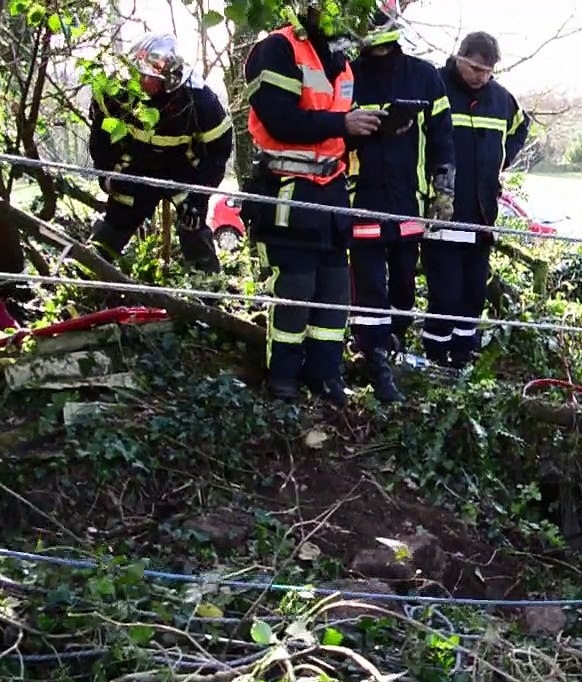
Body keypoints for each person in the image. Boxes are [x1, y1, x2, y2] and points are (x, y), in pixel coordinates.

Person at [241, 1, 386, 405]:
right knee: (295, 289)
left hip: (332, 191)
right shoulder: (277, 49)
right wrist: (343, 123)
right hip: (288, 189)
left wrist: (374, 126)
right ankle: (283, 378)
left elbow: (333, 129)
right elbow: (279, 120)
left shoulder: (341, 59)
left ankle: (325, 375)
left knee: (335, 292)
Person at [347, 0, 455, 402]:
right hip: (363, 198)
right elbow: (331, 133)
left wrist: (444, 190)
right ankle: (373, 355)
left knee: (405, 280)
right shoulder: (347, 75)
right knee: (369, 282)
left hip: (410, 201)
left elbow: (443, 138)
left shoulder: (424, 77)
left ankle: (394, 342)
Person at [87, 32, 229, 273]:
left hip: (183, 171)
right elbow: (101, 140)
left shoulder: (201, 101)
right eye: (138, 72)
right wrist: (107, 176)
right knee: (114, 225)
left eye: (149, 76)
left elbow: (219, 151)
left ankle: (207, 293)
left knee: (193, 231)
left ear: (170, 77)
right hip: (136, 167)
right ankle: (86, 277)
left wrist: (200, 195)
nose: (140, 80)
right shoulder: (118, 95)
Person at [429, 31, 529, 369]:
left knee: (473, 293)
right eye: (474, 68)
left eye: (487, 72)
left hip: (483, 213)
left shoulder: (500, 99)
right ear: (460, 57)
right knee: (446, 292)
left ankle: (462, 357)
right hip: (443, 211)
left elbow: (520, 127)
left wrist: (502, 160)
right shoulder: (435, 86)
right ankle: (435, 357)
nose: (480, 77)